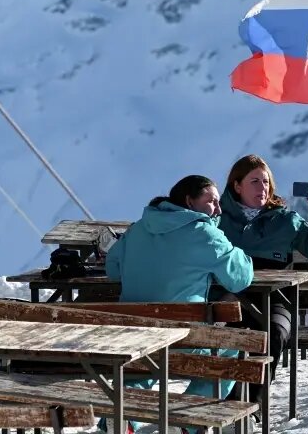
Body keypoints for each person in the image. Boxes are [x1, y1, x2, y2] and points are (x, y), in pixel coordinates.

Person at [105, 175, 253, 434]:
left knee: (144, 364)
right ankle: (186, 424)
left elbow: (113, 269)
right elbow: (239, 278)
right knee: (229, 351)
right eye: (211, 202)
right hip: (181, 342)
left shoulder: (139, 228)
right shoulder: (204, 233)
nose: (218, 209)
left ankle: (124, 419)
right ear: (189, 201)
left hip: (135, 339)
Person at [218, 154, 308, 410]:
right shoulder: (219, 221)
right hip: (232, 297)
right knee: (229, 335)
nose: (262, 188)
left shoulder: (285, 220)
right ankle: (226, 406)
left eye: (265, 182)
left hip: (277, 299)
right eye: (254, 181)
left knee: (274, 332)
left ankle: (248, 407)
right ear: (236, 186)